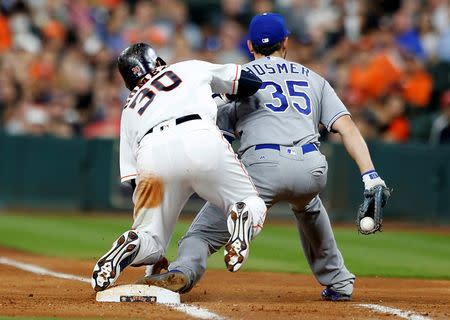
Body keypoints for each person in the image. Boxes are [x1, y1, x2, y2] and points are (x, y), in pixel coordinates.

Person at [144, 13, 390, 301]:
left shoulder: (236, 79)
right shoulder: (314, 78)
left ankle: (185, 269)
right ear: (285, 42)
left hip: (261, 168)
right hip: (311, 168)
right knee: (308, 204)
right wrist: (371, 177)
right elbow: (346, 127)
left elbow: (216, 141)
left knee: (200, 235)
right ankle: (339, 282)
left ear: (250, 46)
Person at [91, 43, 267, 292]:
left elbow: (133, 180)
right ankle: (242, 214)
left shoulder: (130, 107)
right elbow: (250, 81)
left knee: (150, 236)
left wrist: (148, 224)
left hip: (151, 155)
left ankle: (138, 242)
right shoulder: (188, 68)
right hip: (199, 137)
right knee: (251, 201)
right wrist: (221, 96)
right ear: (159, 62)